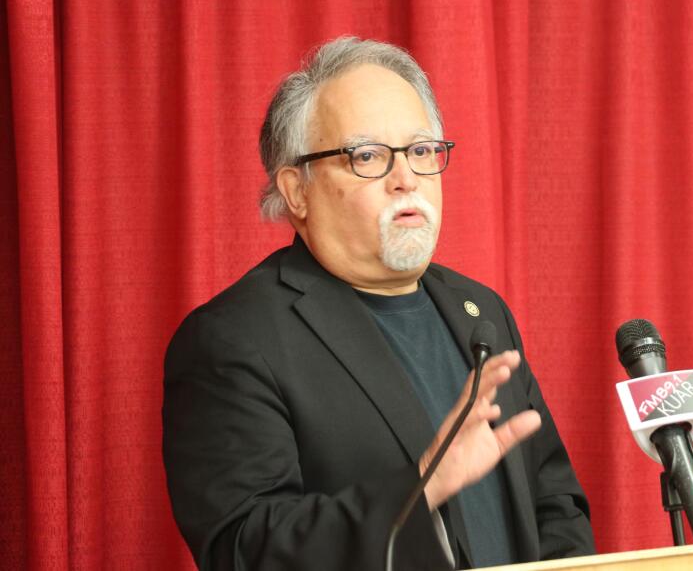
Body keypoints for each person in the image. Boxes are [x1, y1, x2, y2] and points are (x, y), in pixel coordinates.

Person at [163, 37, 595, 570]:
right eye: (368, 156)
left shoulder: (480, 312)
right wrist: (420, 488)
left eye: (420, 151)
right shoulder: (235, 338)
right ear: (297, 190)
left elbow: (555, 505)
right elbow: (247, 549)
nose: (406, 178)